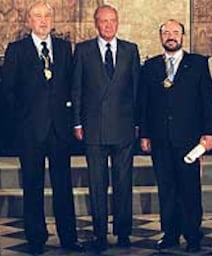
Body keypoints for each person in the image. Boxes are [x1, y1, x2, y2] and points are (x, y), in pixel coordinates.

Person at [2, 1, 83, 255]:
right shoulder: (16, 50)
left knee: (63, 186)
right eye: (38, 16)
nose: (43, 20)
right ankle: (36, 238)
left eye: (48, 15)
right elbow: (8, 91)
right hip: (30, 131)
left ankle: (68, 237)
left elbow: (71, 85)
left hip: (59, 129)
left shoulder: (63, 47)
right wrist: (22, 122)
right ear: (29, 21)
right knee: (33, 185)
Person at [140, 19, 212, 252]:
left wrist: (209, 132)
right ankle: (170, 234)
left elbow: (208, 101)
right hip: (160, 139)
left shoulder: (197, 64)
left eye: (175, 32)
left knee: (189, 189)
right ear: (160, 37)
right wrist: (144, 135)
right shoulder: (151, 66)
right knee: (167, 188)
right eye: (166, 32)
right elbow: (144, 104)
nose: (171, 36)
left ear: (183, 37)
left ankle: (193, 235)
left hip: (190, 140)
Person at [72, 4, 141, 252]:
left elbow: (137, 91)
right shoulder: (83, 50)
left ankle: (123, 232)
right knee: (97, 184)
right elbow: (76, 89)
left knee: (123, 183)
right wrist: (77, 122)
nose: (108, 25)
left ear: (118, 22)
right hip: (93, 129)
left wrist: (138, 125)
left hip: (123, 129)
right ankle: (99, 234)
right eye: (104, 21)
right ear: (96, 24)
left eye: (112, 20)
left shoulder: (131, 50)